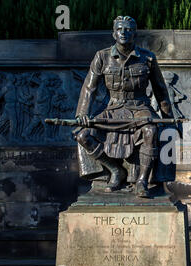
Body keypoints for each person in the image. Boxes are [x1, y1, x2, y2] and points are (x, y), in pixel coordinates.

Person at [74, 16, 173, 197]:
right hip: (113, 109)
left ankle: (142, 181)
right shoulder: (102, 56)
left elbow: (160, 90)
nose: (124, 33)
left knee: (151, 131)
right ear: (114, 33)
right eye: (120, 29)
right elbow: (89, 88)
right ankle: (115, 170)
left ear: (134, 33)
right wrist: (82, 115)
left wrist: (169, 118)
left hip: (139, 107)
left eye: (128, 29)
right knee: (82, 135)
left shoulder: (147, 57)